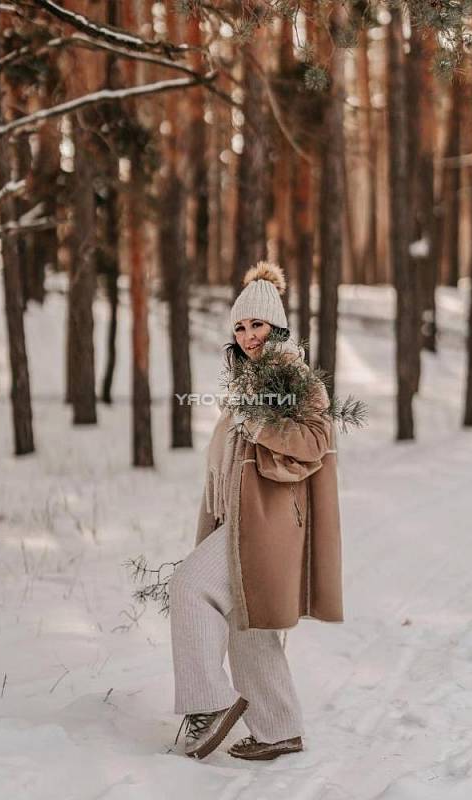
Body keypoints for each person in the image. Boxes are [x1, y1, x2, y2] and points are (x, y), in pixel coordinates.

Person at [169, 261, 344, 760]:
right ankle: (278, 727)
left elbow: (314, 440)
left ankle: (209, 702)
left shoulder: (297, 379)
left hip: (272, 524)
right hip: (244, 519)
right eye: (241, 327)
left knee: (189, 585)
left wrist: (259, 423)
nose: (248, 336)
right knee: (250, 621)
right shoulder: (247, 385)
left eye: (258, 325)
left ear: (278, 327)